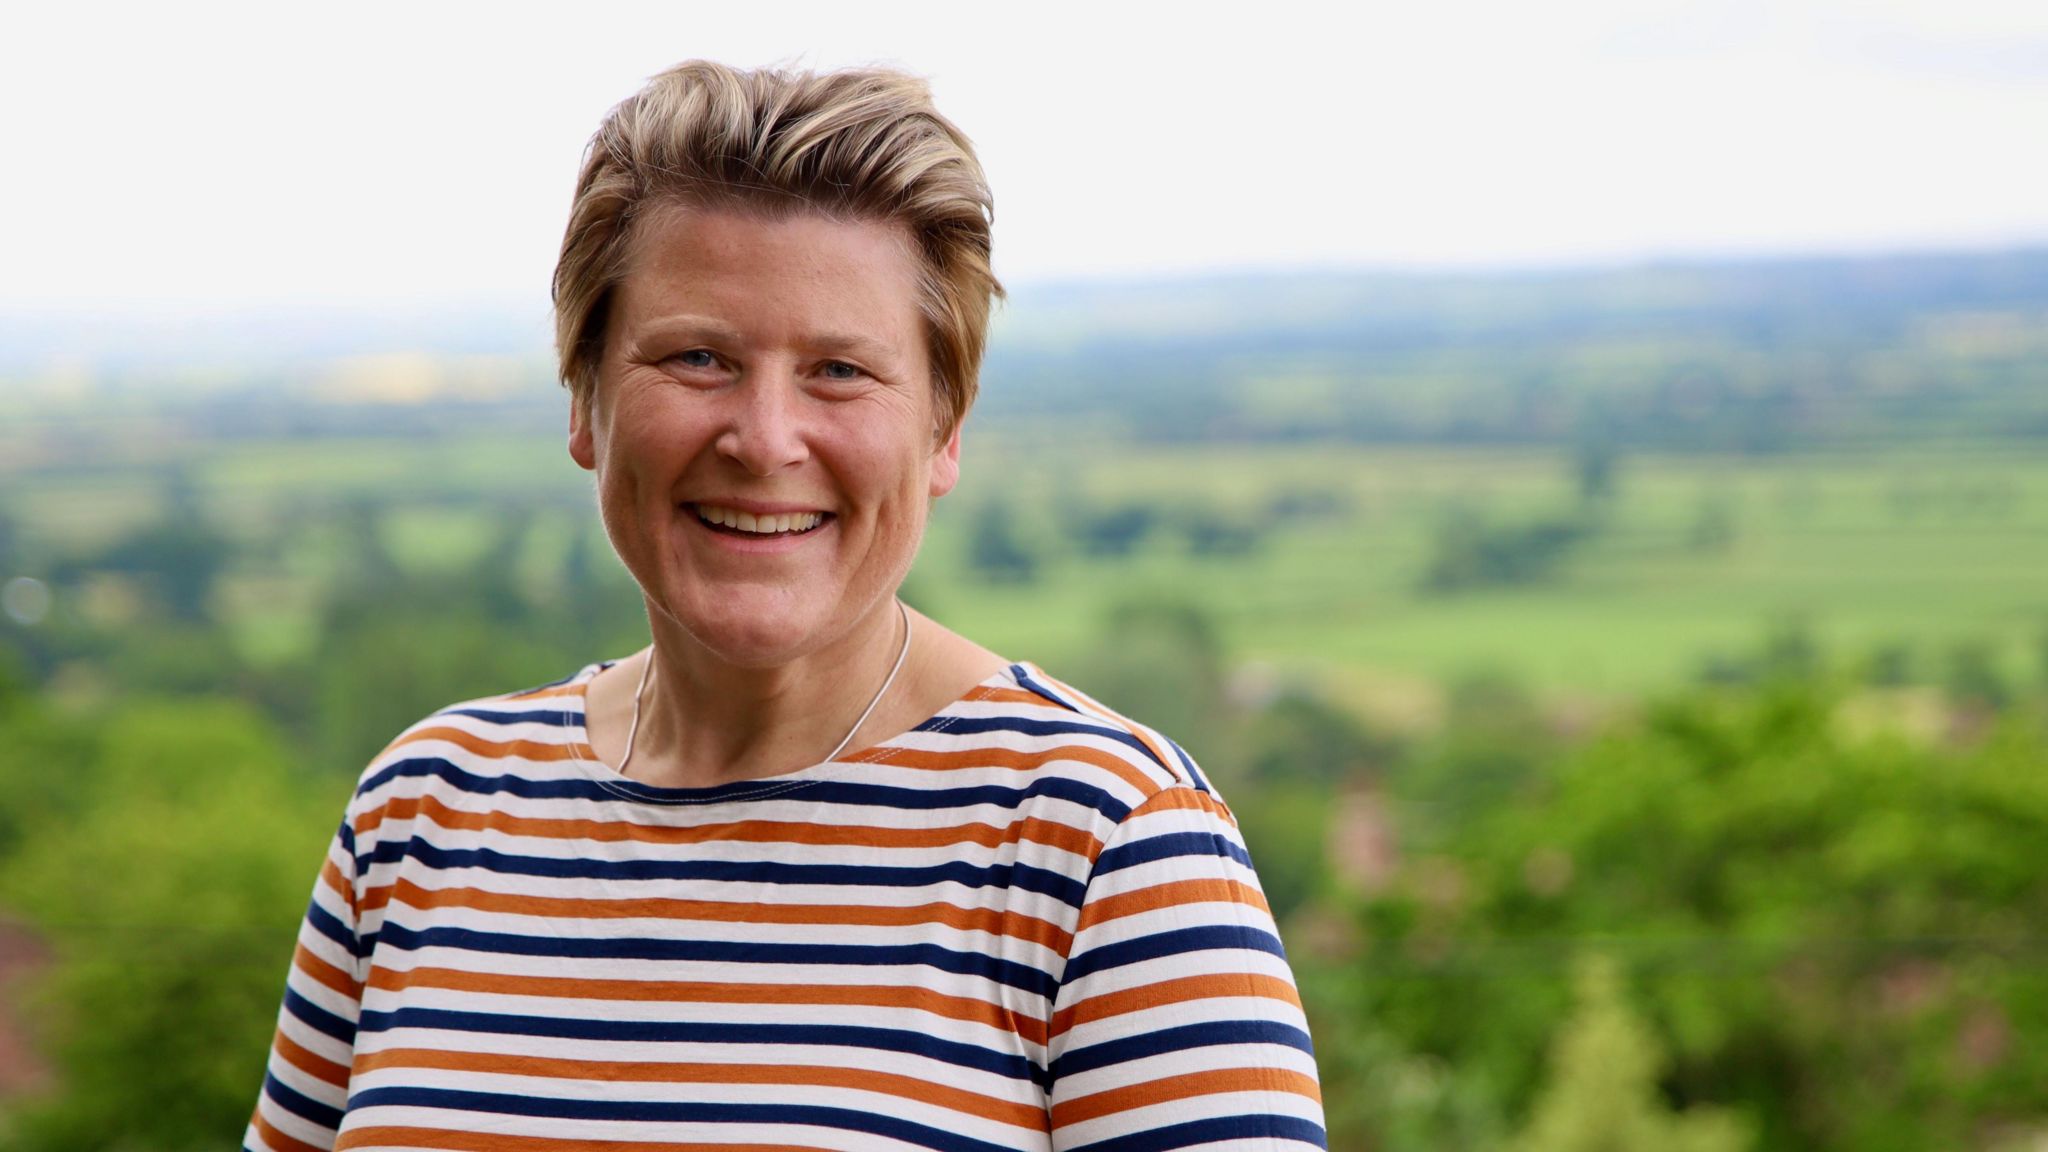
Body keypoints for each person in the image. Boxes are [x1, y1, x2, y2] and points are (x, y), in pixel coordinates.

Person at [244, 60, 1327, 1152]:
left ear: (943, 430)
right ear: (584, 400)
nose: (763, 440)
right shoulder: (424, 815)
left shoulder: (1103, 846)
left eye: (839, 371)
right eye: (698, 357)